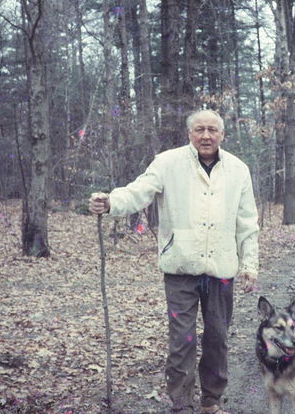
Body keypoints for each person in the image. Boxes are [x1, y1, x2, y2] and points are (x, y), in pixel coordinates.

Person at [89, 109, 259, 414]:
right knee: (182, 340)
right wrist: (111, 202)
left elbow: (247, 223)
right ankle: (181, 404)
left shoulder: (238, 169)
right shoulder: (168, 162)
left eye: (212, 130)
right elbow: (138, 192)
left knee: (217, 338)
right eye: (199, 130)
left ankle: (211, 400)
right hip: (181, 267)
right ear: (189, 133)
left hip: (221, 269)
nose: (205, 136)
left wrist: (249, 265)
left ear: (222, 135)